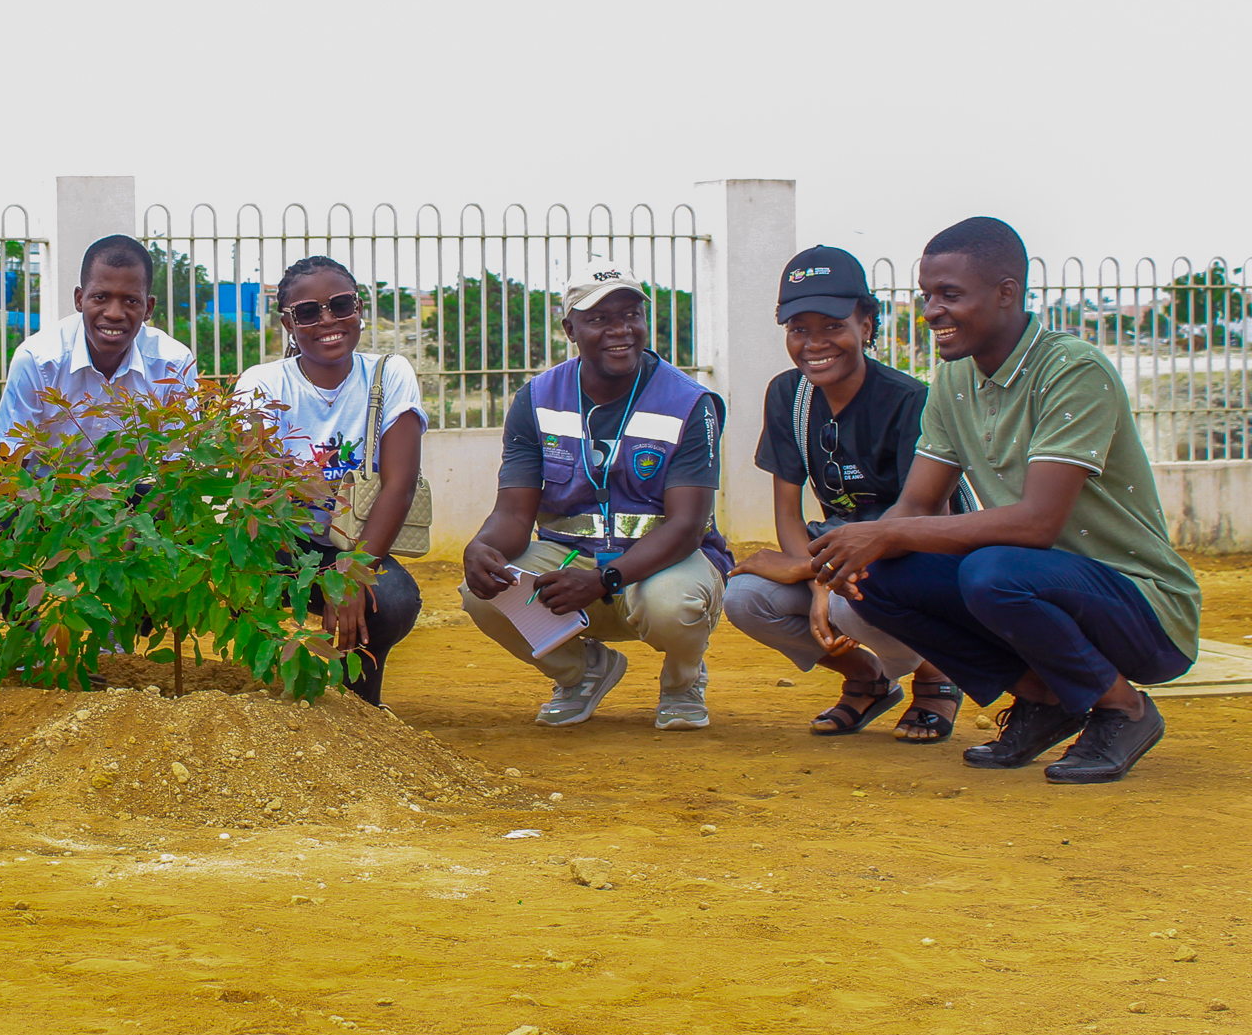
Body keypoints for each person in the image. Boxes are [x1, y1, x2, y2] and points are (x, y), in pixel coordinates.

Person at [815, 217, 1202, 784]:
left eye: (949, 295)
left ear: (1006, 293)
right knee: (882, 578)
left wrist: (885, 533)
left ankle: (1124, 708)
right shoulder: (952, 381)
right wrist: (863, 551)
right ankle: (1045, 699)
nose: (930, 311)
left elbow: (1036, 524)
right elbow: (917, 505)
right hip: (1035, 589)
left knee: (993, 570)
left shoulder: (1072, 369)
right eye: (926, 295)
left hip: (1141, 607)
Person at [461, 260, 731, 730]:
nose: (620, 330)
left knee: (673, 604)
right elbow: (512, 511)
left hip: (664, 562)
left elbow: (687, 526)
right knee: (481, 593)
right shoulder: (537, 400)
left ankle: (683, 684)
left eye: (631, 315)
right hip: (572, 560)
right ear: (570, 328)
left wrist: (604, 579)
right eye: (600, 319)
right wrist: (483, 547)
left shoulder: (689, 402)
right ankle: (582, 672)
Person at [724, 246, 965, 741]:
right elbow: (788, 513)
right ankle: (867, 680)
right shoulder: (787, 395)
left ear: (867, 325)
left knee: (844, 605)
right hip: (835, 548)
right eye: (799, 329)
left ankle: (936, 675)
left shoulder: (910, 401)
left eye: (833, 325)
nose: (815, 343)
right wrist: (818, 575)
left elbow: (920, 519)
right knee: (744, 598)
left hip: (913, 551)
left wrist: (820, 574)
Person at [232, 256, 425, 706]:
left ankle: (359, 706)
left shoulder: (388, 375)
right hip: (280, 543)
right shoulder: (261, 382)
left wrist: (351, 572)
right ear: (288, 322)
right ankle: (251, 700)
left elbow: (400, 484)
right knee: (229, 583)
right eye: (308, 312)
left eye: (341, 305)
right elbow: (256, 486)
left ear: (359, 308)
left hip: (354, 542)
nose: (327, 321)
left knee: (391, 600)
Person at [0, 234, 197, 451]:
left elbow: (179, 463)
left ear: (149, 308)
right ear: (79, 299)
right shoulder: (37, 361)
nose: (114, 314)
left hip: (142, 486)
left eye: (131, 301)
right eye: (100, 297)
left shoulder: (174, 364)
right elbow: (9, 464)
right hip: (43, 485)